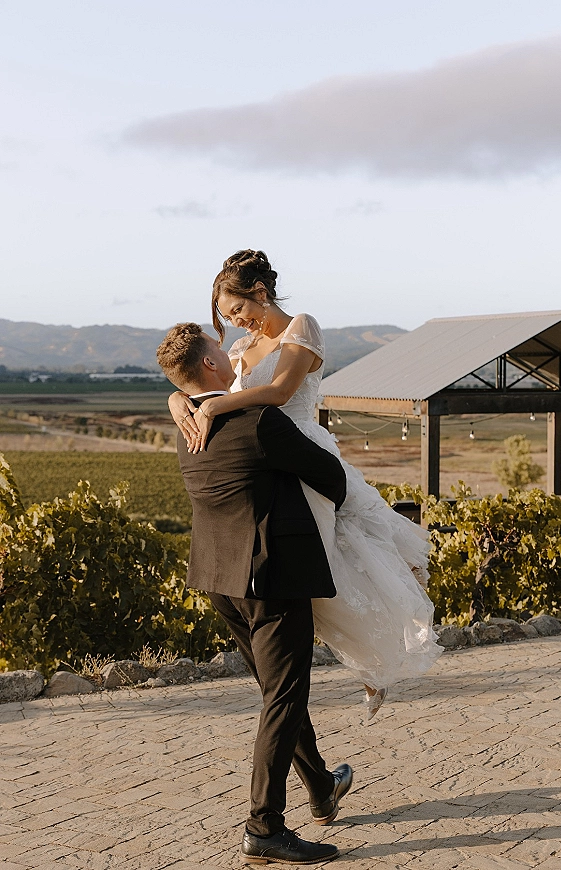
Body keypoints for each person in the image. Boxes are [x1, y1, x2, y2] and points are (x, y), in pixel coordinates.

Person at [169, 250, 443, 720]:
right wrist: (179, 399)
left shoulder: (302, 328)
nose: (236, 324)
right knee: (316, 571)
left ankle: (378, 656)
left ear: (259, 293)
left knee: (346, 551)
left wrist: (214, 408)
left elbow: (277, 395)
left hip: (305, 450)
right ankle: (366, 662)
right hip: (270, 462)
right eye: (228, 317)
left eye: (238, 311)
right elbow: (210, 390)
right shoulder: (236, 352)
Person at [157, 322, 353, 866]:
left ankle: (319, 785)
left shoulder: (185, 422)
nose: (232, 353)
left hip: (219, 580)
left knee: (276, 691)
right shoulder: (259, 420)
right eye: (222, 347)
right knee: (284, 698)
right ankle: (264, 826)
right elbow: (330, 477)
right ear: (213, 367)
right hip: (271, 576)